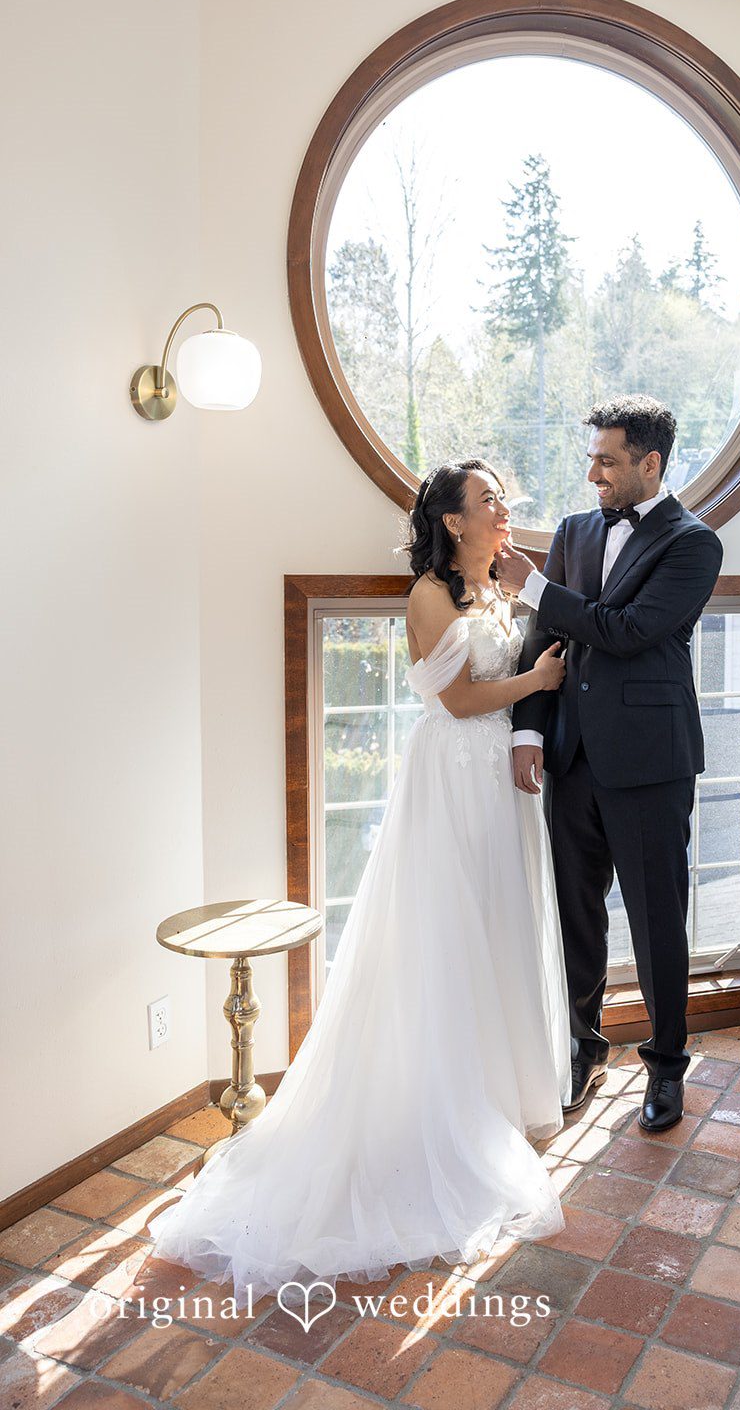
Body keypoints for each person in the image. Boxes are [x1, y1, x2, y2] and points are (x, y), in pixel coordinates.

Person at [148, 458, 571, 1300]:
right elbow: (453, 701)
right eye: (489, 501)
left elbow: (530, 618)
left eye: (502, 500)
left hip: (499, 780)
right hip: (452, 772)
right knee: (447, 932)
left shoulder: (502, 589)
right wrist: (538, 680)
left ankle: (491, 1094)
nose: (503, 510)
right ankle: (432, 1111)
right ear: (452, 521)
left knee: (497, 926)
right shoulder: (429, 593)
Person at [496, 396, 724, 1134]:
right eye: (591, 455)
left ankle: (664, 1068)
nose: (591, 470)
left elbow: (626, 632)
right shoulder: (571, 531)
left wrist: (534, 585)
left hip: (650, 763)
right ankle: (582, 1047)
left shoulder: (694, 544)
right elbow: (542, 645)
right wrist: (527, 734)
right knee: (574, 914)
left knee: (657, 920)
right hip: (570, 757)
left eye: (606, 459)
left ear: (649, 463)